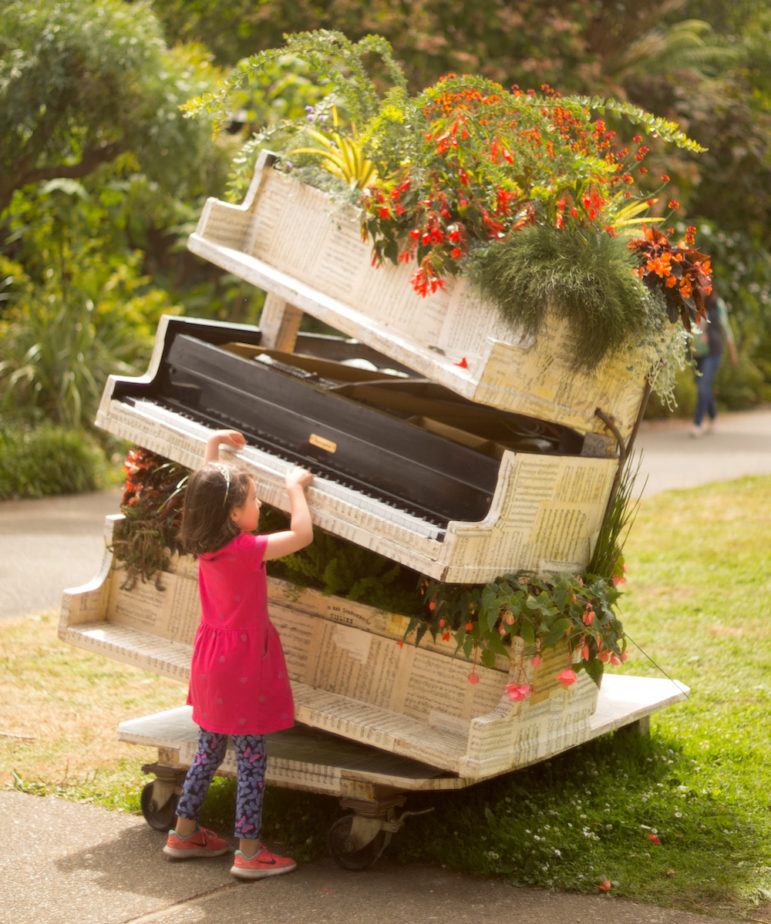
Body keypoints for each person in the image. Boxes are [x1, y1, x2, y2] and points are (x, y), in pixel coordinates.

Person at [162, 429, 314, 880]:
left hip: (210, 663)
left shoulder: (204, 542)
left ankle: (183, 832)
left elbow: (200, 492)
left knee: (208, 750)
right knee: (251, 758)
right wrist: (294, 487)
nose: (259, 507)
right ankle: (249, 853)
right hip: (244, 667)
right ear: (232, 513)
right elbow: (302, 534)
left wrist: (213, 447)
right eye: (252, 501)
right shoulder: (247, 550)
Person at [690, 290, 737, 437]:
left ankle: (697, 423)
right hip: (696, 353)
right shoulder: (691, 301)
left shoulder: (717, 304)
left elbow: (725, 327)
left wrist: (732, 350)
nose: (701, 286)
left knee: (703, 386)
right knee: (702, 386)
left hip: (713, 352)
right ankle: (713, 416)